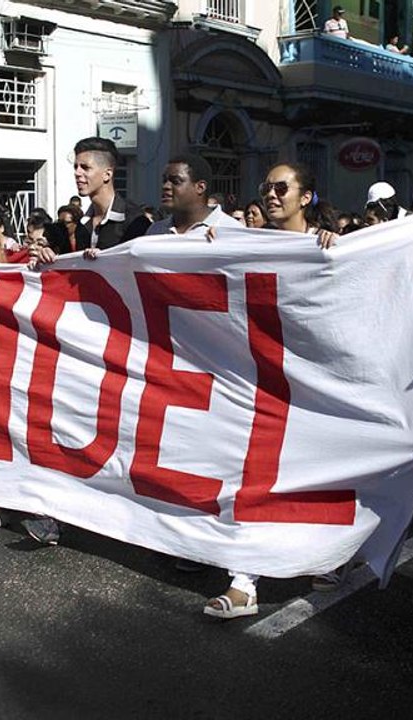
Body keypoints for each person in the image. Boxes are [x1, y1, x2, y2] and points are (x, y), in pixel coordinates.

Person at [203, 162, 339, 620]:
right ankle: (244, 582)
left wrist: (340, 252)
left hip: (315, 385)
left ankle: (327, 556)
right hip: (259, 381)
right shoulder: (249, 242)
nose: (272, 195)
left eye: (282, 187)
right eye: (267, 188)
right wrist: (207, 248)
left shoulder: (327, 246)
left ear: (306, 197)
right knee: (252, 476)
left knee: (316, 473)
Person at [147, 155, 242, 236]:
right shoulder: (156, 231)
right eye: (164, 181)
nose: (165, 186)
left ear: (200, 187)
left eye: (176, 181)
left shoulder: (232, 231)